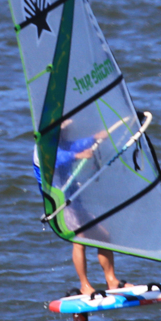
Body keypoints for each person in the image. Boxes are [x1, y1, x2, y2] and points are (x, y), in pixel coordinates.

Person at [32, 120, 133, 295]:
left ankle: (112, 281)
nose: (66, 132)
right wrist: (77, 156)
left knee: (104, 236)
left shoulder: (62, 144)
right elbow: (55, 160)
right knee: (80, 238)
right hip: (59, 204)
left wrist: (94, 138)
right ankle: (85, 285)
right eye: (62, 130)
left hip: (73, 202)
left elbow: (74, 145)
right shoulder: (41, 150)